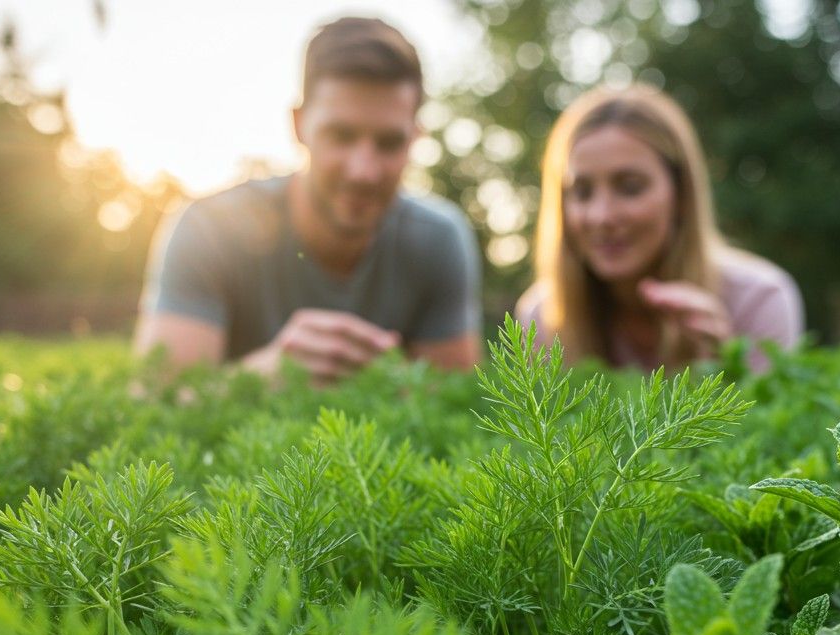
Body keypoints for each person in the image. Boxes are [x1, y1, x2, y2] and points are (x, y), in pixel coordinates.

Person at [134, 17, 482, 383]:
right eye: (341, 135)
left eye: (389, 142)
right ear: (298, 125)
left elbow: (454, 404)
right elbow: (157, 399)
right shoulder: (209, 231)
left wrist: (393, 384)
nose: (363, 170)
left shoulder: (439, 240)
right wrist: (263, 377)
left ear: (415, 139)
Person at [515, 84, 803, 374]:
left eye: (630, 187)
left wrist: (728, 372)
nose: (602, 216)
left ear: (681, 194)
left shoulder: (758, 299)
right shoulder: (541, 317)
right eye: (582, 191)